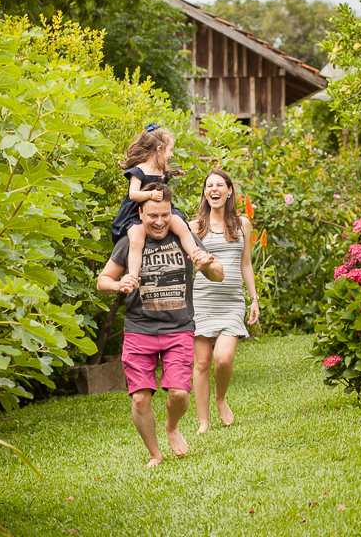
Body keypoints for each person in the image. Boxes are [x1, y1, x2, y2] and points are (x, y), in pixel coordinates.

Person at [98, 183, 224, 466]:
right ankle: (155, 453)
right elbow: (102, 280)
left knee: (179, 394)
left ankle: (172, 425)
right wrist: (119, 285)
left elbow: (219, 273)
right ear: (140, 213)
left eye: (165, 215)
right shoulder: (129, 242)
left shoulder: (184, 237)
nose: (159, 221)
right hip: (138, 330)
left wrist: (206, 264)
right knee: (140, 399)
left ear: (172, 213)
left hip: (178, 328)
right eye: (152, 215)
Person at [189, 170, 260, 434]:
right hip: (201, 301)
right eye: (209, 186)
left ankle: (220, 399)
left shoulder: (242, 224)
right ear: (205, 193)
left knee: (223, 358)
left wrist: (254, 299)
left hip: (231, 302)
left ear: (229, 191)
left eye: (220, 185)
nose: (214, 189)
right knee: (202, 363)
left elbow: (246, 264)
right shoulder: (194, 227)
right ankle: (203, 422)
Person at [110, 123, 199, 283]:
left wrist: (174, 172)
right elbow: (133, 194)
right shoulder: (139, 170)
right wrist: (150, 194)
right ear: (159, 149)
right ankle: (132, 276)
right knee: (137, 240)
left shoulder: (161, 171)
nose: (172, 154)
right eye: (170, 150)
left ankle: (196, 255)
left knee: (181, 225)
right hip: (135, 213)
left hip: (160, 212)